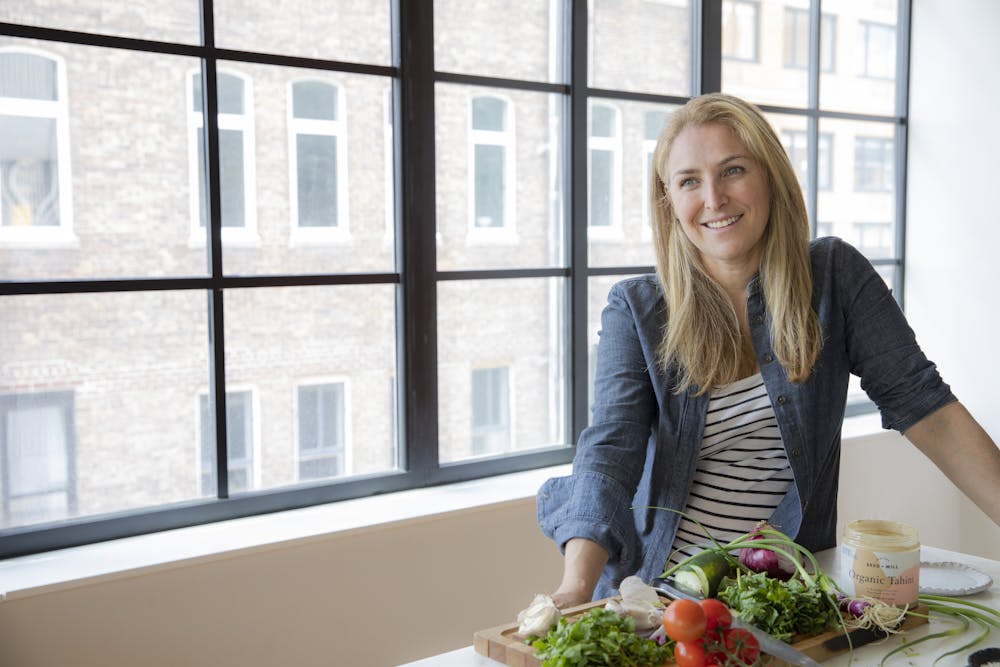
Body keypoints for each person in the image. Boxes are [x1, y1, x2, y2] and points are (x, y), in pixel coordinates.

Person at [536, 92, 1000, 607]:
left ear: (770, 176)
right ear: (669, 201)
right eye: (689, 181)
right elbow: (610, 450)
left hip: (785, 603)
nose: (713, 198)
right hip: (661, 600)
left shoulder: (834, 279)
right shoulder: (637, 309)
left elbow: (928, 409)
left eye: (732, 170)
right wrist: (575, 588)